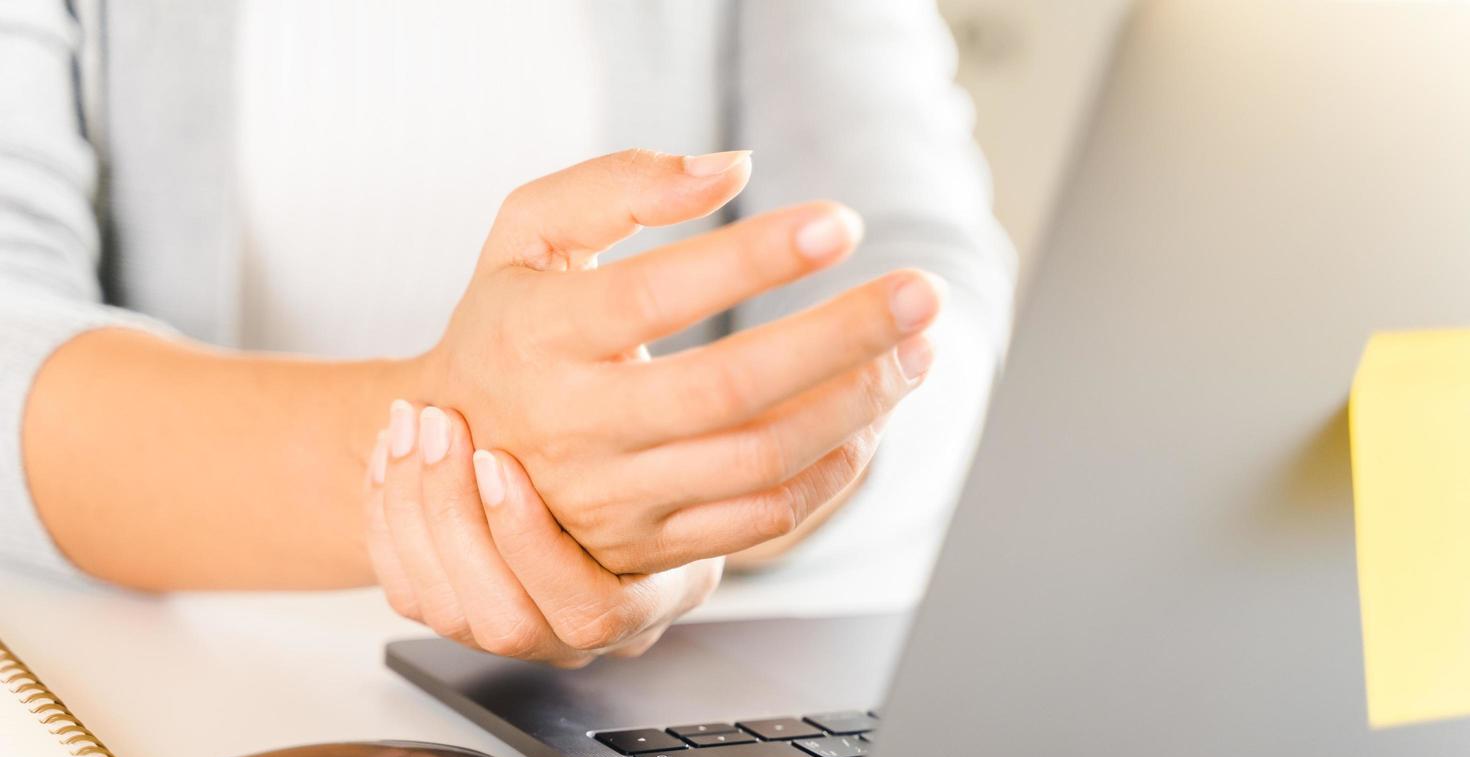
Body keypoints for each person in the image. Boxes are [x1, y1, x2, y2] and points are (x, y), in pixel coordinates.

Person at [1, 1, 1014, 667]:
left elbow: (931, 275)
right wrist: (482, 454)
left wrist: (739, 481)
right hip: (177, 685)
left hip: (662, 684)